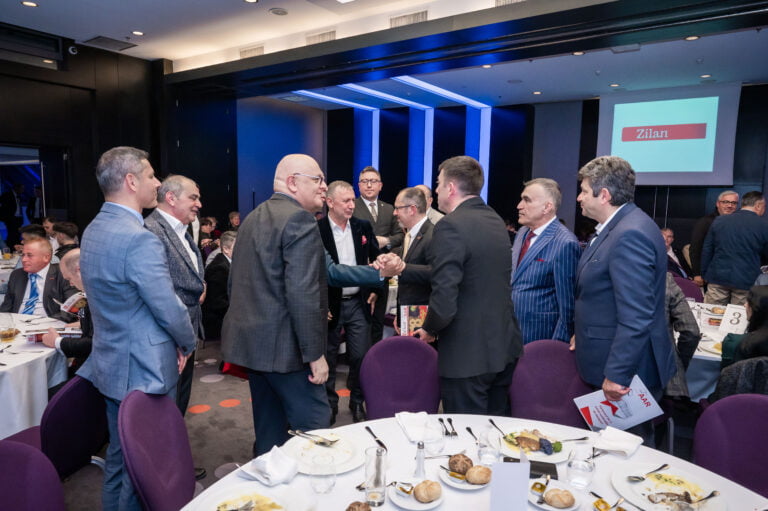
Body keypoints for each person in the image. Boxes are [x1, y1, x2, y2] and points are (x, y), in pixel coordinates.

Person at [222, 154, 398, 457]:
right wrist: (315, 355)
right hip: (288, 350)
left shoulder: (253, 217)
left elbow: (236, 282)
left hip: (254, 347)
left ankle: (274, 482)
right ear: (293, 182)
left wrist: (376, 273)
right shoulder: (300, 220)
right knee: (316, 426)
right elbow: (302, 292)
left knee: (270, 430)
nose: (323, 186)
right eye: (317, 179)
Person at [77, 146, 196, 510]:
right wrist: (187, 343)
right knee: (143, 468)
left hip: (111, 363)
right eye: (150, 175)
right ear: (131, 181)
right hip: (145, 370)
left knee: (119, 458)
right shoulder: (138, 237)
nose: (157, 183)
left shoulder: (94, 229)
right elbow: (168, 307)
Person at [573, 155, 676, 445]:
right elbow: (605, 295)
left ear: (604, 195)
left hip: (628, 371)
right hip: (614, 356)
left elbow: (636, 315)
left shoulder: (630, 234)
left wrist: (617, 374)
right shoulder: (623, 226)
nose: (579, 198)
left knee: (625, 452)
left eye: (584, 191)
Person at [414, 156, 523, 415]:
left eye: (438, 184)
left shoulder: (450, 226)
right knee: (495, 427)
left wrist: (429, 329)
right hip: (503, 348)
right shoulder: (494, 219)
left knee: (465, 431)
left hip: (467, 354)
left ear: (451, 188)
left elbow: (444, 296)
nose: (436, 190)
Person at [318, 180, 380, 423]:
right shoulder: (317, 230)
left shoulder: (362, 227)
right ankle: (329, 405)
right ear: (330, 202)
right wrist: (320, 303)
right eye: (346, 201)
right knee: (328, 357)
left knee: (360, 357)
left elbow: (375, 259)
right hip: (329, 305)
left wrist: (375, 289)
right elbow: (313, 272)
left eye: (353, 200)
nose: (352, 205)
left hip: (358, 303)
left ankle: (357, 401)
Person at [144, 175, 205, 420]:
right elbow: (159, 293)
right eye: (193, 197)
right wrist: (180, 339)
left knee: (179, 401)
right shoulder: (151, 231)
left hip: (186, 333)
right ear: (171, 198)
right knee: (164, 408)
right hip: (168, 337)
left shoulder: (181, 231)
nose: (199, 204)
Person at [511, 178, 581, 344]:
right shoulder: (522, 233)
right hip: (511, 335)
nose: (519, 206)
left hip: (540, 338)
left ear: (547, 207)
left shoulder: (565, 243)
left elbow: (568, 306)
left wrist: (556, 346)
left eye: (527, 200)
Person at [353, 166, 403, 343]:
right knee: (360, 320)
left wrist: (386, 241)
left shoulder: (389, 209)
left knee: (378, 319)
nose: (369, 185)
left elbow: (400, 236)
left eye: (373, 181)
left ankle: (375, 354)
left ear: (380, 185)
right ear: (359, 185)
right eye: (365, 181)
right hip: (361, 270)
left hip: (384, 272)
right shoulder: (352, 207)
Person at [702, 191, 768, 306]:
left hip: (717, 277)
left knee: (711, 314)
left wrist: (704, 274)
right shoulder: (764, 225)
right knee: (738, 315)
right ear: (758, 205)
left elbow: (707, 249)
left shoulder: (720, 220)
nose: (764, 210)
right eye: (764, 206)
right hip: (746, 280)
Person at [0, 236, 76, 320]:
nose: (24, 259)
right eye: (23, 255)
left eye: (29, 255)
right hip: (17, 322)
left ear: (46, 257)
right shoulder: (17, 275)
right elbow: (6, 308)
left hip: (49, 323)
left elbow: (72, 309)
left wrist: (45, 322)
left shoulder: (62, 274)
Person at [42, 249, 91, 372]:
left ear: (79, 271)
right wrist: (82, 322)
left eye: (69, 278)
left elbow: (95, 343)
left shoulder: (100, 298)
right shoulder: (98, 291)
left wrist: (57, 341)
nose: (71, 284)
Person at [392, 187, 434, 330]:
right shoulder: (409, 234)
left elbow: (435, 272)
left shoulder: (433, 234)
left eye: (397, 208)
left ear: (412, 209)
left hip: (422, 316)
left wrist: (402, 267)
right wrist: (400, 313)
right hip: (407, 312)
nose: (394, 213)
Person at [663, 273, 701, 399]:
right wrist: (678, 365)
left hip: (615, 376)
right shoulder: (664, 279)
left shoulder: (611, 277)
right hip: (665, 375)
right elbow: (691, 332)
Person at [689, 190, 739, 287]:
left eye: (734, 203)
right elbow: (695, 249)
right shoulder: (705, 222)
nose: (730, 205)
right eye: (726, 202)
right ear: (718, 204)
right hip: (710, 276)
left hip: (733, 277)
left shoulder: (739, 224)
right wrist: (697, 274)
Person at [202, 230, 236, 339]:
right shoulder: (219, 268)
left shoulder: (227, 262)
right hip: (216, 323)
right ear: (226, 249)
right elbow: (218, 303)